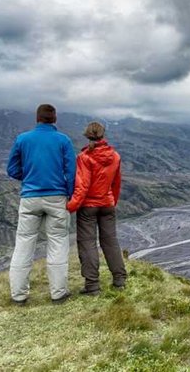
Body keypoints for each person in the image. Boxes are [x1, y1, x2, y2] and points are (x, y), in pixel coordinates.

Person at [6, 104, 77, 304]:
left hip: (29, 197)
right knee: (57, 242)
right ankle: (58, 293)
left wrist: (27, 177)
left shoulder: (22, 139)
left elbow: (11, 169)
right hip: (57, 197)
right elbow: (71, 172)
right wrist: (69, 194)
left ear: (37, 118)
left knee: (24, 243)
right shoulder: (63, 140)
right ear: (54, 119)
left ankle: (18, 296)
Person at [67, 121, 126, 295]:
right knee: (110, 241)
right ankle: (119, 279)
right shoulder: (115, 156)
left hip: (88, 207)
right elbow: (116, 183)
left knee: (87, 244)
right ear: (103, 135)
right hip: (107, 204)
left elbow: (82, 186)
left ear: (87, 136)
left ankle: (92, 286)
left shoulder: (84, 157)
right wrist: (111, 201)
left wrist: (71, 206)